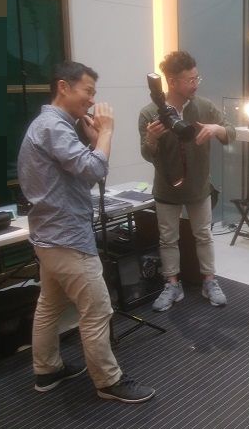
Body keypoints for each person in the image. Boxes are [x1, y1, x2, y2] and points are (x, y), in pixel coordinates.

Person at [18, 61, 155, 404]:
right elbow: (92, 169)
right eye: (88, 91)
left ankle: (47, 370)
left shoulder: (48, 125)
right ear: (63, 87)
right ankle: (109, 381)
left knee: (49, 305)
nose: (92, 100)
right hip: (67, 239)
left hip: (49, 237)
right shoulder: (54, 126)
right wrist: (106, 133)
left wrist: (95, 142)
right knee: (97, 311)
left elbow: (86, 171)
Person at [139, 51, 235, 312]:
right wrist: (151, 139)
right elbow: (147, 154)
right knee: (167, 239)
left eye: (197, 78)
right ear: (172, 82)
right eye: (190, 80)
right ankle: (172, 284)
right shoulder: (150, 113)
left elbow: (231, 132)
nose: (195, 84)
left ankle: (209, 281)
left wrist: (217, 129)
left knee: (204, 235)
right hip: (166, 188)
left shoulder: (204, 107)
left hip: (199, 187)